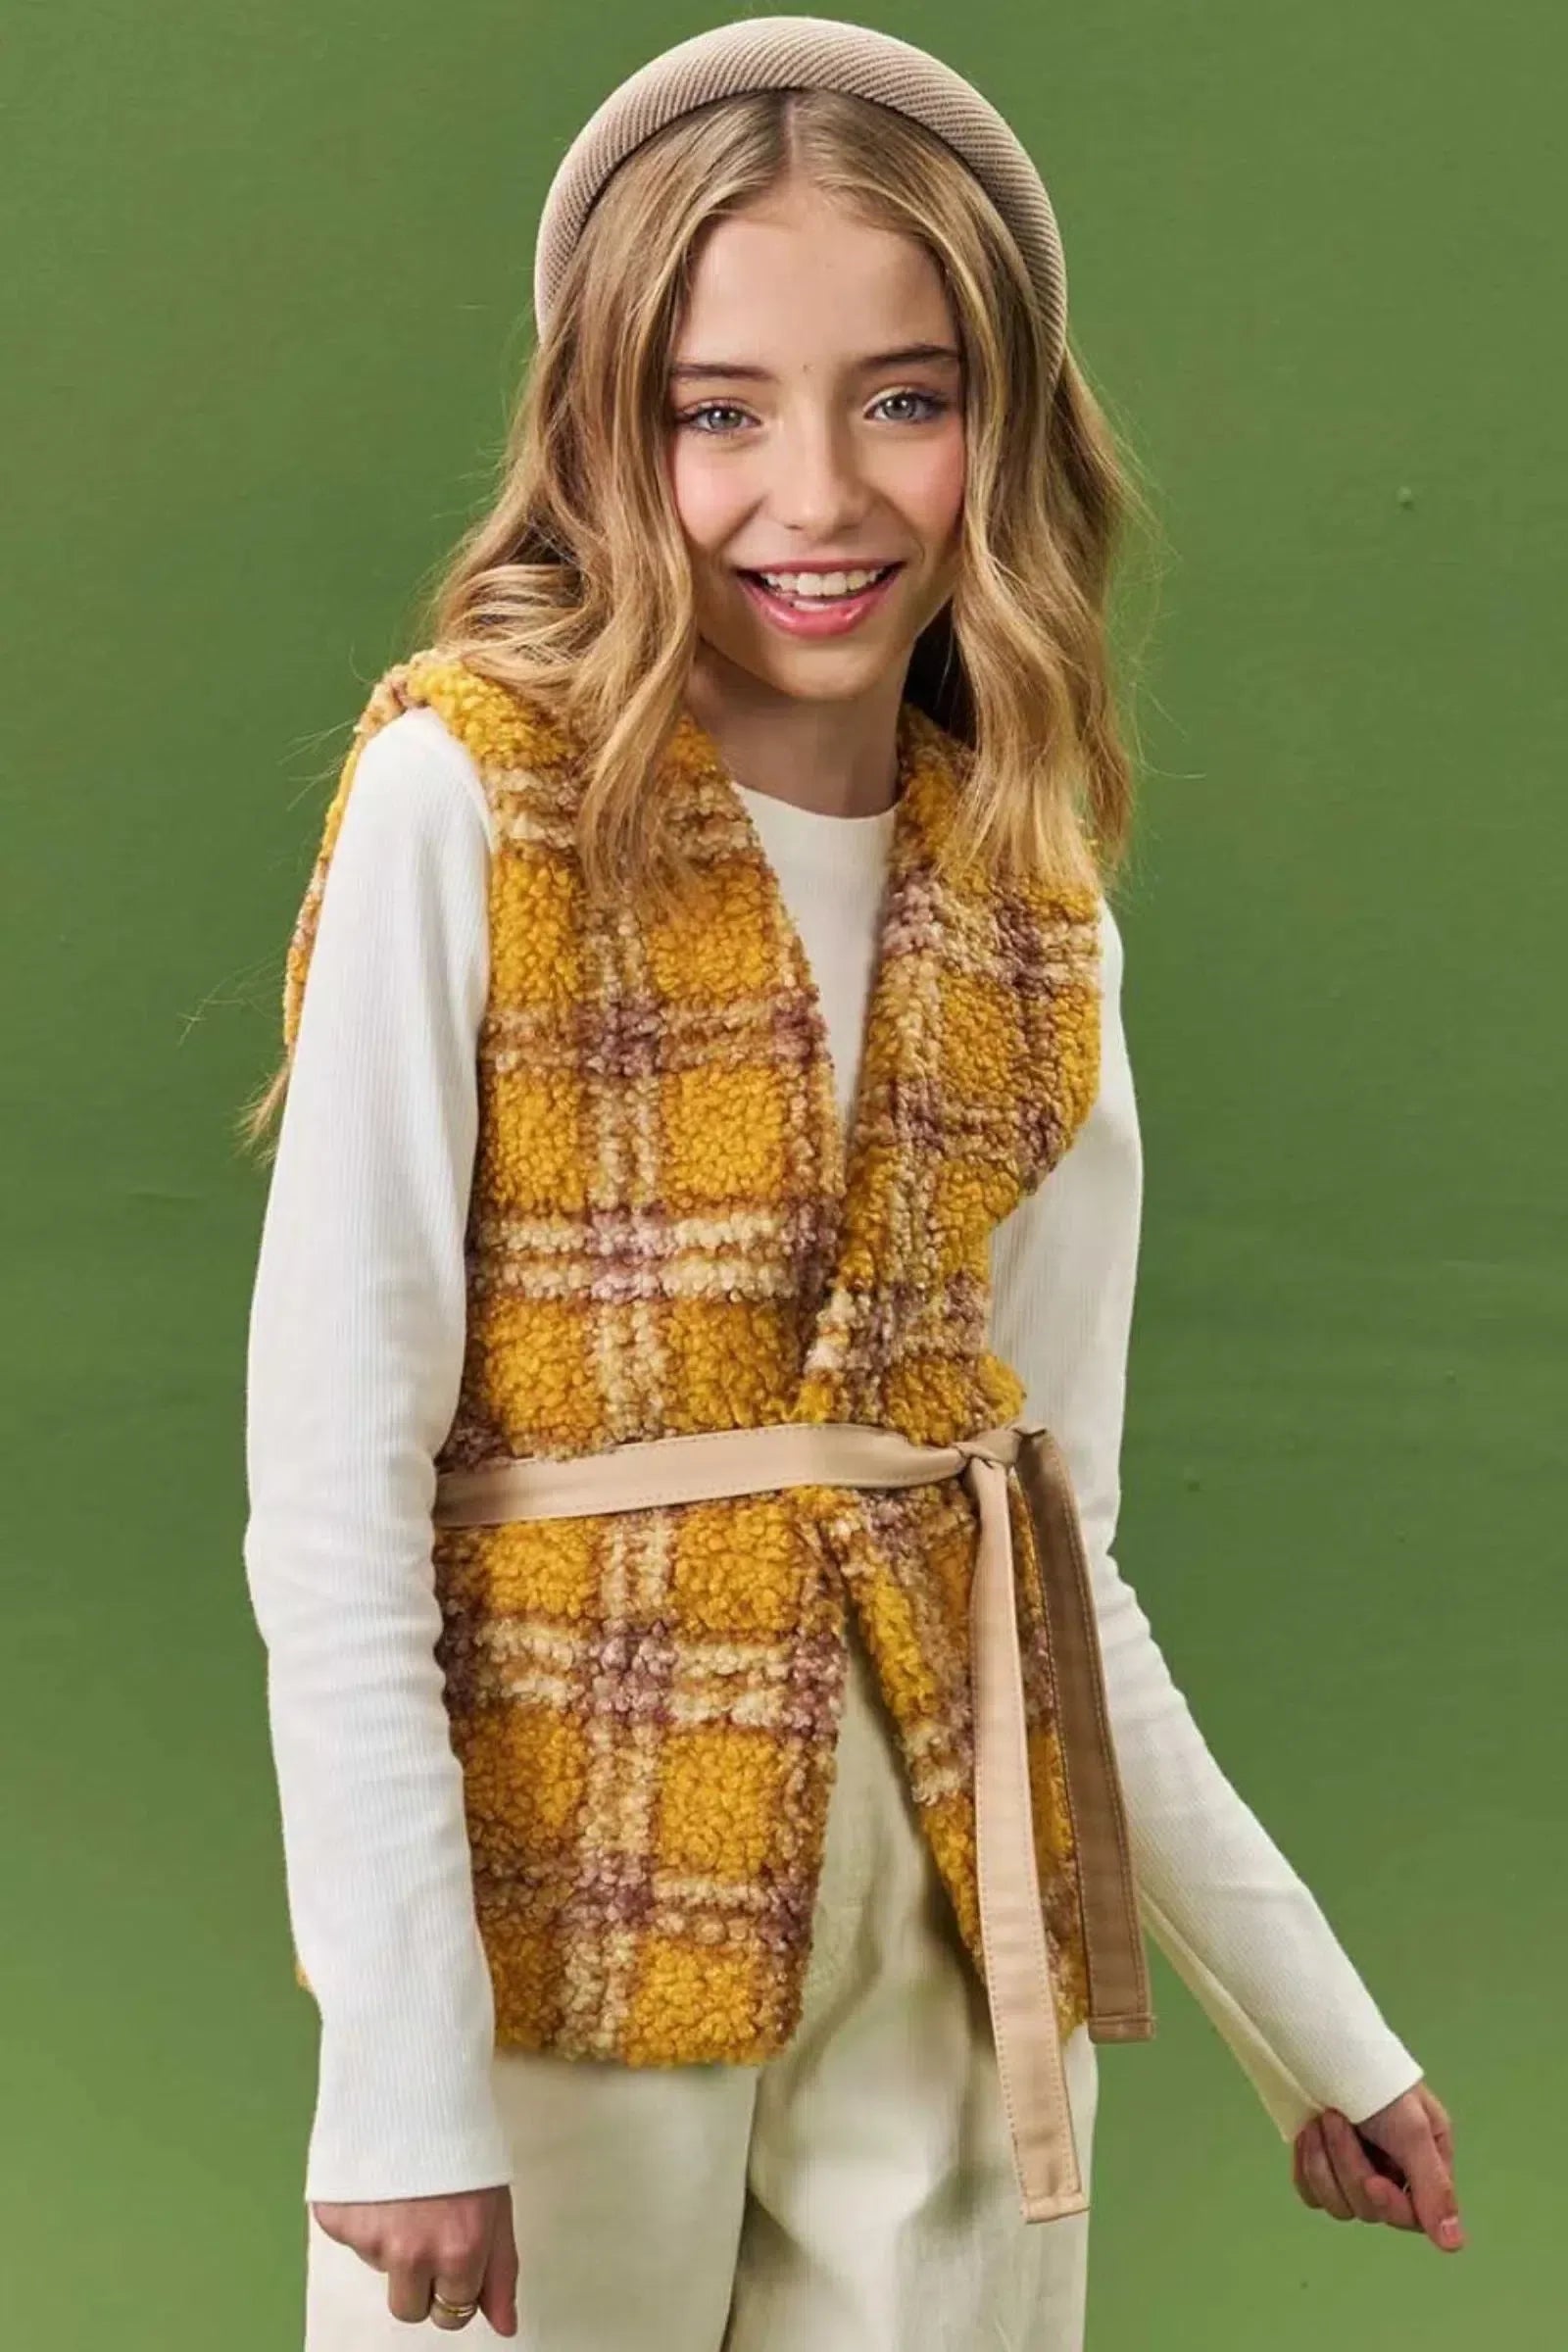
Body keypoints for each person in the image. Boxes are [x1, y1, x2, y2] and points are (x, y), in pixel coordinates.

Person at [238, 20, 1463, 2348]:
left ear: (1011, 424)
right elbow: (333, 1496)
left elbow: (1049, 1552)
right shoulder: (463, 802)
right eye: (716, 411)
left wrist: (1318, 2030)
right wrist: (396, 2069)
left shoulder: (1032, 899)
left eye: (903, 397)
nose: (817, 492)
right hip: (568, 1914)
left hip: (949, 1950)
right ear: (605, 434)